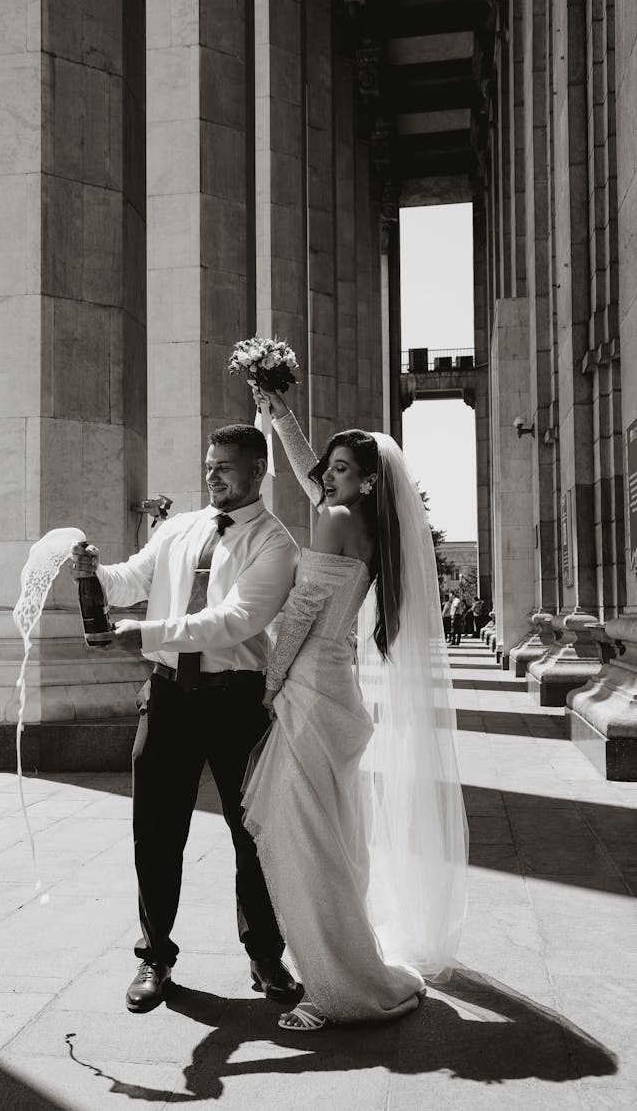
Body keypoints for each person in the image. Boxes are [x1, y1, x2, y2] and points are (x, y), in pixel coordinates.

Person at [242, 388, 468, 1032]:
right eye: (332, 467)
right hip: (334, 687)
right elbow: (312, 469)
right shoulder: (363, 523)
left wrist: (269, 680)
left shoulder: (337, 520)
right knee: (325, 833)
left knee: (305, 838)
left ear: (370, 481)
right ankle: (338, 963)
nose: (330, 476)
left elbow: (304, 613)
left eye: (344, 470)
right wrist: (276, 409)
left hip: (311, 687)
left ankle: (339, 987)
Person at [71, 425, 299, 1014]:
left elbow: (235, 619)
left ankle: (265, 954)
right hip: (168, 697)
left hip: (237, 702)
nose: (213, 475)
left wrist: (144, 634)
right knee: (155, 829)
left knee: (252, 834)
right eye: (209, 464)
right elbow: (132, 579)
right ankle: (155, 955)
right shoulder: (178, 528)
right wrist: (93, 569)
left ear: (257, 472)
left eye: (226, 465)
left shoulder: (276, 545)